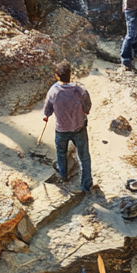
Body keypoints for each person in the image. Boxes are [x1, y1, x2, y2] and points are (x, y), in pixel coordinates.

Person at [42, 61, 93, 193]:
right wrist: (85, 112)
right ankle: (86, 185)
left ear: (56, 75)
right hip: (79, 128)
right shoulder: (80, 89)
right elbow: (87, 106)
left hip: (61, 130)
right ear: (70, 74)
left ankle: (64, 176)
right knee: (84, 157)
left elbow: (47, 110)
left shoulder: (53, 91)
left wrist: (47, 115)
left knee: (61, 153)